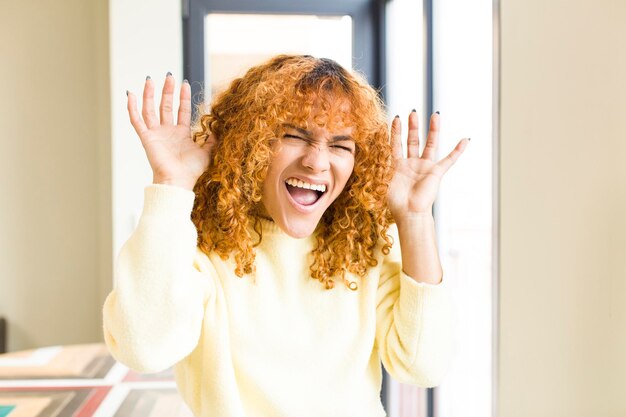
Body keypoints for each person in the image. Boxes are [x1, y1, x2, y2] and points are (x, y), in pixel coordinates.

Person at [102, 54, 469, 417]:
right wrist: (172, 184)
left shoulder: (364, 243)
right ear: (251, 143)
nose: (317, 161)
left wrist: (415, 218)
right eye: (294, 136)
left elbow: (424, 365)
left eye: (340, 145)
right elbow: (144, 349)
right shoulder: (199, 244)